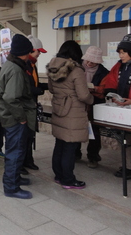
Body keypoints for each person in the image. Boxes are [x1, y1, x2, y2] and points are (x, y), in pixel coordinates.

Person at [46, 40, 94, 190]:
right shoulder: (76, 70)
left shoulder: (52, 67)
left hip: (58, 109)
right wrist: (92, 99)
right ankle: (68, 179)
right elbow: (83, 95)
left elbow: (51, 89)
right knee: (70, 147)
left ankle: (59, 175)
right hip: (73, 113)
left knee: (60, 144)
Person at [102, 33, 131, 184]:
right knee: (125, 140)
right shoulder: (118, 66)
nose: (121, 55)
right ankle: (127, 167)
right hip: (122, 109)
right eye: (120, 52)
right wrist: (112, 95)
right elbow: (109, 81)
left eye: (123, 52)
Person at [0, 34, 36, 199]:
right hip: (14, 118)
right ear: (24, 52)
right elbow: (11, 98)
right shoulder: (16, 70)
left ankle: (14, 178)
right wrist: (21, 117)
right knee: (15, 152)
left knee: (14, 150)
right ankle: (11, 187)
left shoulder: (10, 64)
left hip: (8, 116)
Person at [76, 46, 109, 169]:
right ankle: (75, 153)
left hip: (95, 103)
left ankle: (93, 156)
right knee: (77, 128)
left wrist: (93, 88)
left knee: (94, 132)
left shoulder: (104, 72)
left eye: (93, 61)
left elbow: (103, 90)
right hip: (79, 103)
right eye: (88, 60)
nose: (89, 63)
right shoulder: (78, 67)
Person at [23, 35, 48, 172]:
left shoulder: (32, 65)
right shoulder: (24, 65)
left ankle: (29, 160)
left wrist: (46, 86)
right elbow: (26, 87)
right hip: (26, 106)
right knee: (25, 136)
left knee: (30, 135)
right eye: (38, 51)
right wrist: (38, 90)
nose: (39, 54)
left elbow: (35, 83)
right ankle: (23, 163)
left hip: (32, 105)